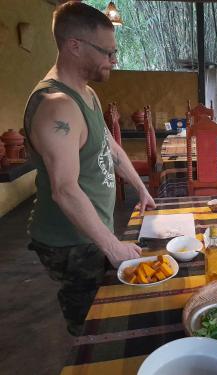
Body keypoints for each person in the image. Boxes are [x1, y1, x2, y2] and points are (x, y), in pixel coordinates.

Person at [23, 2, 155, 336]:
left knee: (107, 308)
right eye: (107, 52)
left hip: (94, 231)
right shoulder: (57, 107)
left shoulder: (88, 95)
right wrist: (113, 246)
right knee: (92, 325)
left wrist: (140, 188)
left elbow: (109, 147)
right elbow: (64, 189)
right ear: (74, 46)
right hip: (71, 240)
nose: (114, 60)